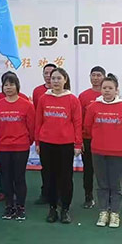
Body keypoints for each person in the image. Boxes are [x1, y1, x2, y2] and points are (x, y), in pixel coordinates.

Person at [84, 74, 122, 228]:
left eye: (110, 88)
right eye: (104, 88)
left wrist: (117, 142)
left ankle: (115, 213)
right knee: (102, 184)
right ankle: (103, 211)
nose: (107, 90)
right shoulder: (93, 107)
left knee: (115, 184)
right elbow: (88, 127)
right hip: (98, 151)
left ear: (116, 90)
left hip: (117, 152)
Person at [35, 67, 82, 224]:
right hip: (46, 143)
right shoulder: (43, 98)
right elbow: (38, 122)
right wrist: (37, 142)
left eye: (58, 78)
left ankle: (65, 209)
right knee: (50, 177)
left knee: (66, 178)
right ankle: (52, 208)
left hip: (66, 144)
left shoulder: (72, 99)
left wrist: (78, 144)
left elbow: (77, 123)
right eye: (53, 78)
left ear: (65, 80)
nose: (55, 81)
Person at [0, 72, 35, 221]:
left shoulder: (27, 105)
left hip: (21, 147)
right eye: (6, 85)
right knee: (6, 178)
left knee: (19, 177)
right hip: (3, 147)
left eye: (11, 84)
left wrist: (27, 141)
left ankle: (20, 207)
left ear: (17, 86)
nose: (8, 87)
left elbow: (31, 127)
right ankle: (9, 206)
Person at [78, 66, 106, 209]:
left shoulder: (109, 95)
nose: (95, 78)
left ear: (104, 77)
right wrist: (79, 140)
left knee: (104, 171)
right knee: (88, 169)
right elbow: (78, 119)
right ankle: (88, 196)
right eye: (93, 75)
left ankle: (106, 198)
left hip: (104, 140)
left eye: (98, 75)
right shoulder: (83, 96)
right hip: (87, 138)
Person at [32, 63, 57, 205]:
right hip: (44, 136)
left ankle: (59, 194)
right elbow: (37, 116)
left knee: (59, 168)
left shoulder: (64, 93)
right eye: (46, 73)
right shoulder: (37, 91)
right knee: (46, 167)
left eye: (51, 74)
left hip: (60, 137)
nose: (48, 76)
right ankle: (45, 193)